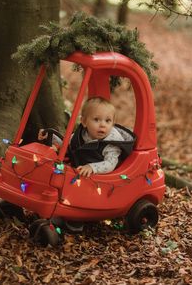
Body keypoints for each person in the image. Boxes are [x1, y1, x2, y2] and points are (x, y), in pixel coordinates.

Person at [38, 97, 135, 232]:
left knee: (76, 185)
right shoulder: (82, 134)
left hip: (101, 181)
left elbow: (111, 164)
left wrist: (92, 167)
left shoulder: (111, 143)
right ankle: (59, 207)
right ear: (84, 122)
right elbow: (68, 145)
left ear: (113, 123)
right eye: (96, 120)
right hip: (80, 171)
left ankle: (76, 218)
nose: (102, 125)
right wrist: (51, 138)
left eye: (108, 121)